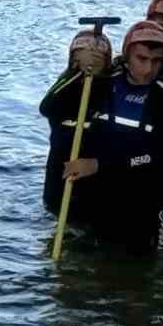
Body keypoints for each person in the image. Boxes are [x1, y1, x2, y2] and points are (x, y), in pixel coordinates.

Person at [59, 20, 163, 250]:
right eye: (141, 59)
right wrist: (77, 71)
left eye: (156, 61)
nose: (148, 69)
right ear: (126, 56)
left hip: (142, 205)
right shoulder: (104, 85)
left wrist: (98, 165)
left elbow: (157, 156)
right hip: (97, 198)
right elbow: (51, 109)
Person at [39, 29, 114, 221]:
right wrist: (76, 72)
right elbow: (46, 107)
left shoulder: (111, 87)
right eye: (78, 57)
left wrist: (103, 72)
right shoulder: (65, 87)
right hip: (59, 172)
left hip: (93, 176)